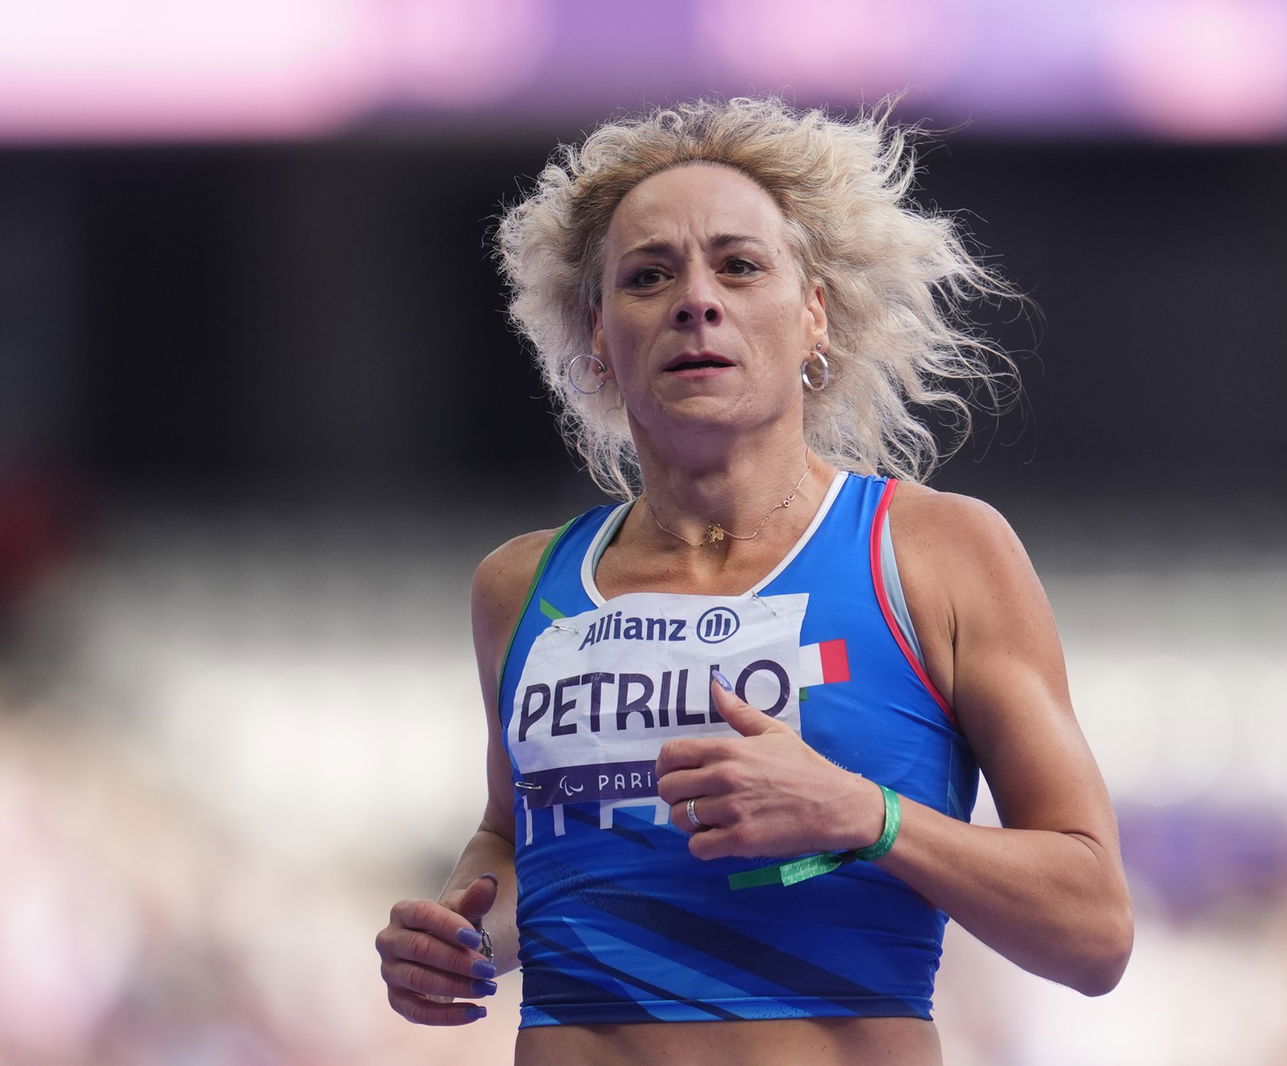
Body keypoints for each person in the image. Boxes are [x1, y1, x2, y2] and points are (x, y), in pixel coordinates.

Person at [375, 96, 1132, 1065]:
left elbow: (1095, 926)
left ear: (812, 312)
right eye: (649, 276)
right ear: (598, 337)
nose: (697, 299)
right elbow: (515, 847)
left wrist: (866, 815)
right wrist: (462, 938)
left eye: (738, 265)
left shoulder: (935, 555)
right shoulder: (519, 589)